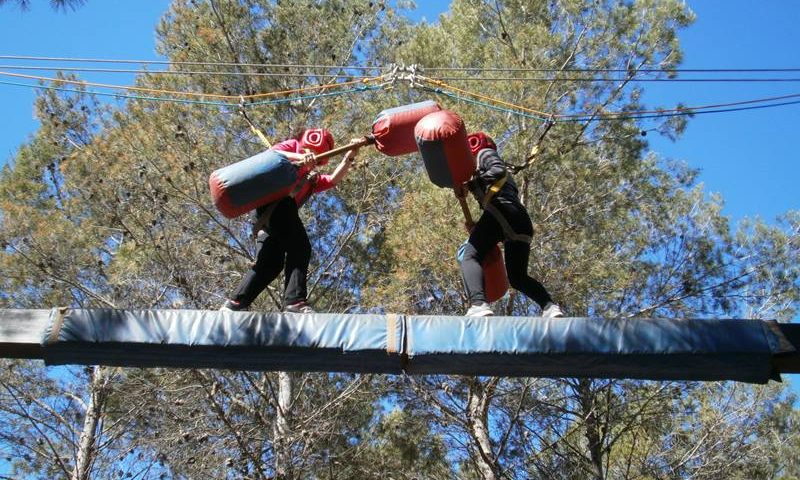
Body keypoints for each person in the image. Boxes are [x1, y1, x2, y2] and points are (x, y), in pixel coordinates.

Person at [221, 129, 360, 313]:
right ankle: (295, 301)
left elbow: (333, 179)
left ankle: (235, 303)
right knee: (300, 246)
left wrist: (350, 156)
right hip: (275, 207)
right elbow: (274, 154)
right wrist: (299, 157)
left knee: (270, 264)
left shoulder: (311, 179)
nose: (312, 158)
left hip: (272, 221)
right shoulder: (292, 146)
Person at [455, 132, 564, 318]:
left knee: (470, 256)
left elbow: (498, 171)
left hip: (503, 211)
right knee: (518, 277)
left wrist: (471, 185)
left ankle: (479, 304)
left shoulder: (485, 154)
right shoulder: (483, 170)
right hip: (519, 221)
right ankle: (550, 307)